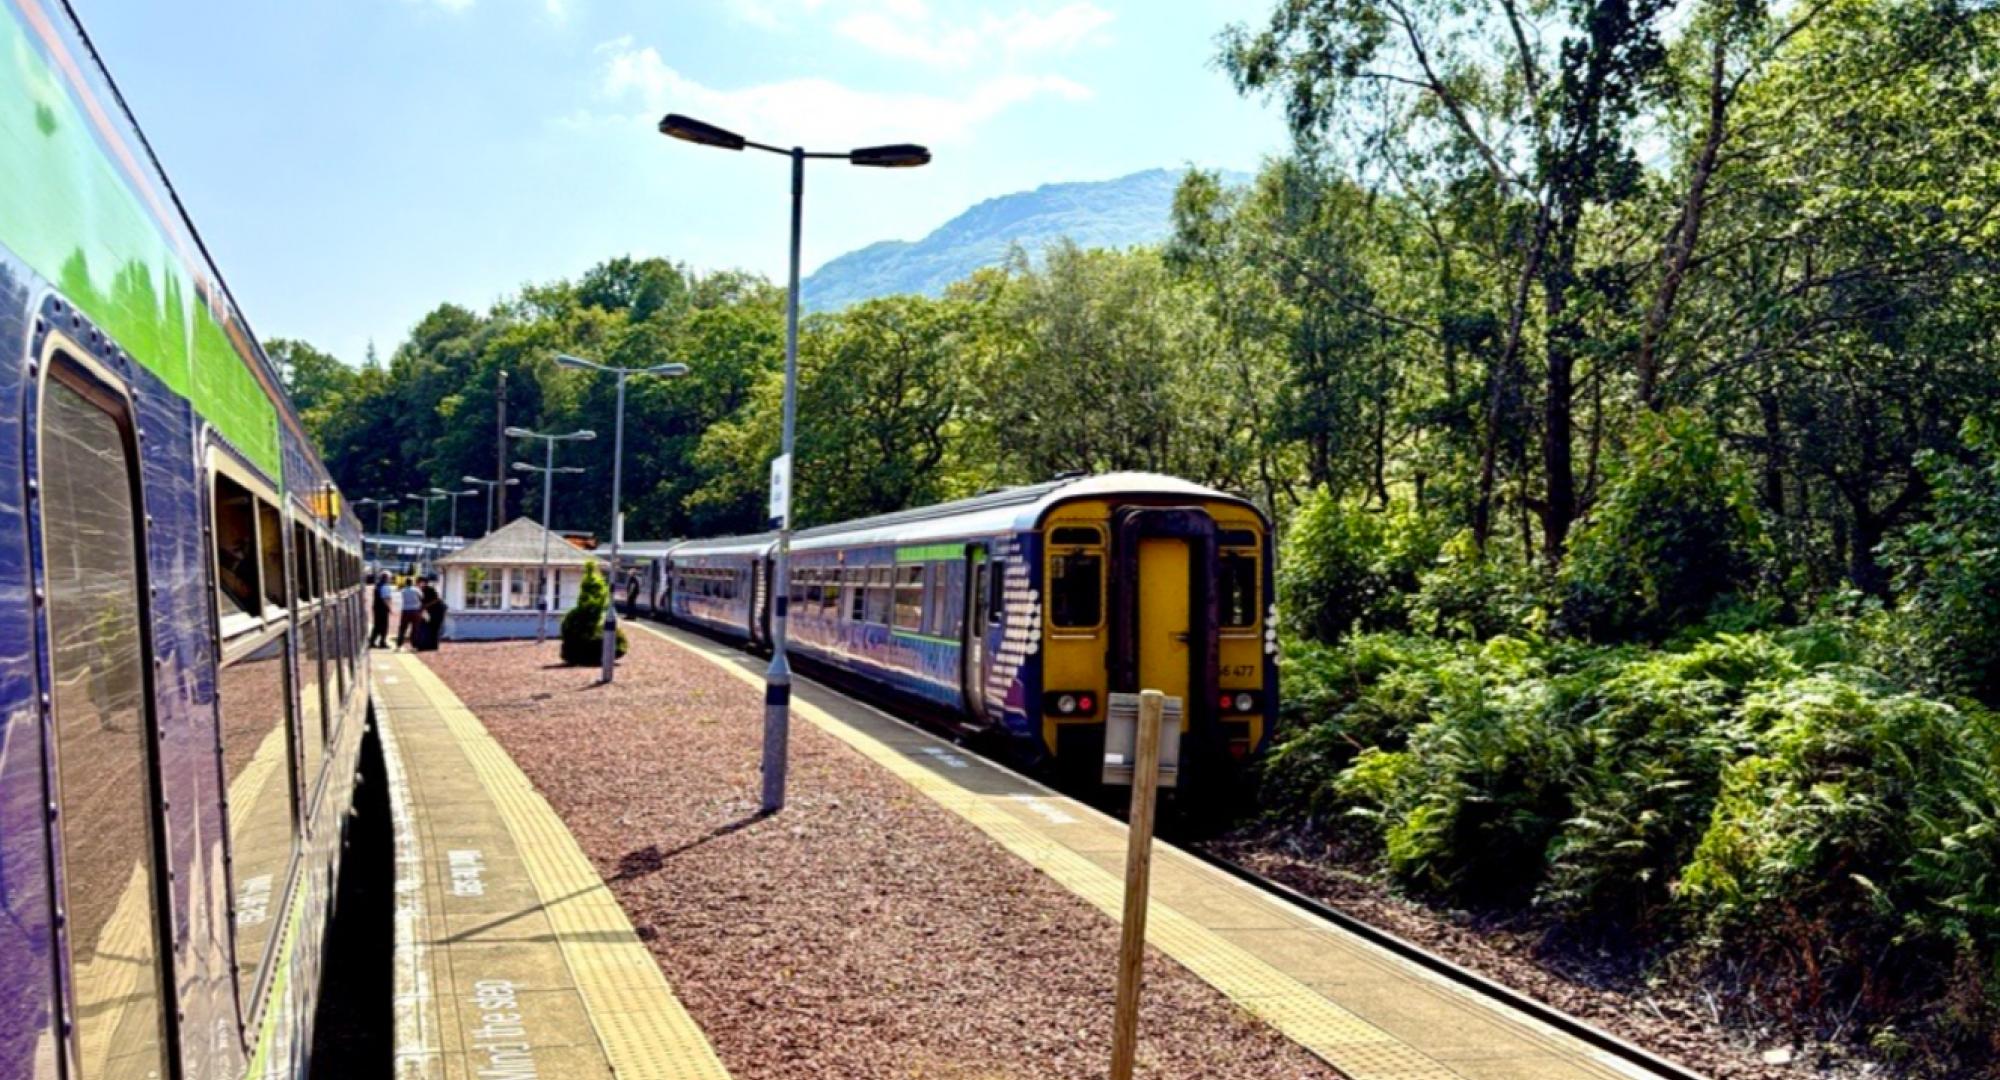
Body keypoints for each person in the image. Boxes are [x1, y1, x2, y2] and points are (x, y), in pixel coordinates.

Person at [414, 577, 447, 652]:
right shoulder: (421, 591)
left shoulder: (430, 589)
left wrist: (426, 606)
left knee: (435, 627)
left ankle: (434, 646)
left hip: (438, 610)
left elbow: (437, 599)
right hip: (431, 611)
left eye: (418, 582)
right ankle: (428, 645)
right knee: (430, 627)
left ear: (423, 582)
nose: (417, 584)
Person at [396, 576, 424, 649]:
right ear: (412, 583)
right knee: (415, 628)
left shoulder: (403, 590)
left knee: (402, 628)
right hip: (415, 610)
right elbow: (422, 598)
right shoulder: (416, 590)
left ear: (406, 583)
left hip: (405, 610)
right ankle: (414, 645)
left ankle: (399, 644)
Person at [370, 572, 393, 648]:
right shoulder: (385, 587)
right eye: (390, 578)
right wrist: (389, 608)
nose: (390, 579)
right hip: (383, 608)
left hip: (376, 607)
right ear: (386, 578)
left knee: (377, 625)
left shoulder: (377, 586)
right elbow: (385, 598)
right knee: (384, 625)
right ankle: (382, 642)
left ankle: (372, 641)